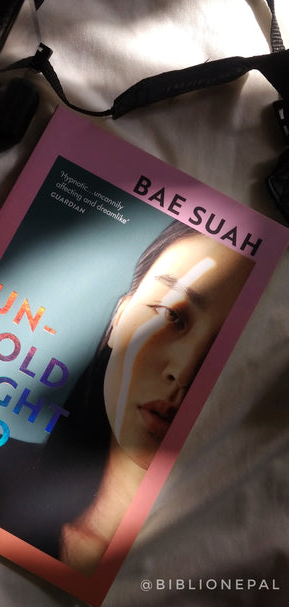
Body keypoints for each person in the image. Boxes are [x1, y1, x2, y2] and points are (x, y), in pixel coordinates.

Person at [47, 220, 254, 573]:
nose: (184, 373)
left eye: (227, 348)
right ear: (120, 315)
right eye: (172, 315)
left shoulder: (230, 570)